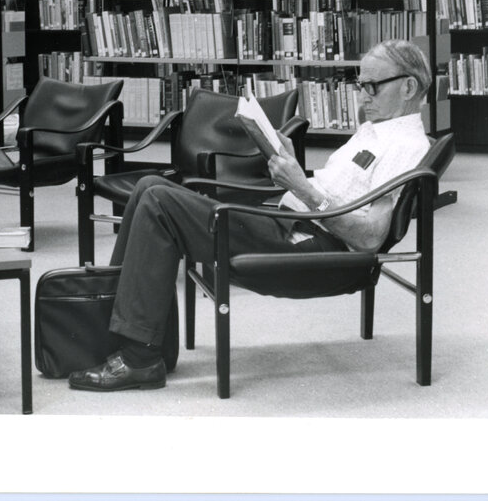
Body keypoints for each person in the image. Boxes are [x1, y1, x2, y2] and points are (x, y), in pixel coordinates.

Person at [68, 38, 433, 392]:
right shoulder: (376, 131)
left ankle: (137, 356)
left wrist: (301, 187)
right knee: (148, 185)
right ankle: (118, 335)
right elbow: (337, 190)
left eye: (372, 86)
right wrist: (291, 164)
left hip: (316, 246)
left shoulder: (406, 147)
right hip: (292, 224)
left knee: (159, 200)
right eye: (361, 85)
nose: (363, 96)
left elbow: (369, 237)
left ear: (408, 87)